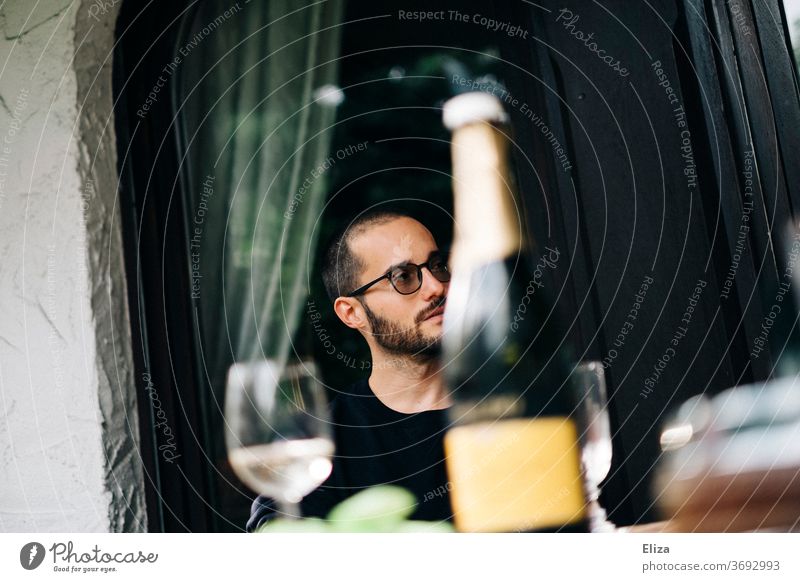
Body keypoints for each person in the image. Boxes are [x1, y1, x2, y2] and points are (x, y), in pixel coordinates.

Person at [247, 210, 453, 531]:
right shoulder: (322, 444)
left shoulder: (514, 404)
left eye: (438, 266)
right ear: (352, 313)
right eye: (403, 276)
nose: (436, 287)